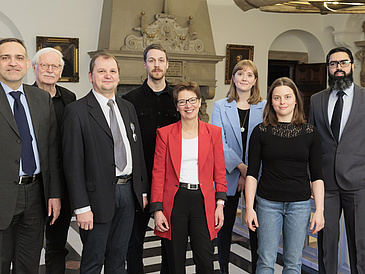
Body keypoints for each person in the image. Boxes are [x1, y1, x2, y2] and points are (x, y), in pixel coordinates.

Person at [62, 52, 148, 274]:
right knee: (93, 260)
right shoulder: (76, 112)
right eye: (101, 71)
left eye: (112, 71)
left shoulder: (127, 108)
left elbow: (136, 151)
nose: (107, 76)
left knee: (119, 258)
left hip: (128, 194)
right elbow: (72, 164)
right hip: (95, 198)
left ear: (119, 77)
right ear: (91, 76)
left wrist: (142, 189)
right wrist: (81, 207)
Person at [245, 77, 325, 273]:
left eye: (287, 97)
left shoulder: (311, 133)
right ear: (271, 101)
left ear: (296, 100)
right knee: (265, 260)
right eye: (277, 97)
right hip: (267, 203)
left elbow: (317, 176)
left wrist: (320, 210)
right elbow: (252, 173)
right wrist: (249, 208)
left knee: (293, 262)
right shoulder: (260, 131)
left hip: (299, 204)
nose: (282, 102)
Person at [150, 81, 227, 274]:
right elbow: (158, 173)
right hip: (175, 201)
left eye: (192, 100)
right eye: (183, 101)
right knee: (174, 262)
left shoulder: (213, 133)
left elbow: (220, 171)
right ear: (177, 106)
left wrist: (220, 204)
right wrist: (157, 209)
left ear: (200, 102)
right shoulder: (164, 134)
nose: (188, 105)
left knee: (205, 260)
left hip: (203, 200)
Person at [0, 38, 62, 273]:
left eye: (18, 58)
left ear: (27, 64)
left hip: (36, 196)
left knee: (28, 265)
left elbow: (51, 150)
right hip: (3, 195)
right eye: (5, 57)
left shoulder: (41, 99)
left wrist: (54, 194)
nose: (12, 63)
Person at [123, 43, 179, 274]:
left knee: (171, 240)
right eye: (152, 60)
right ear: (145, 64)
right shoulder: (129, 100)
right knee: (134, 239)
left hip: (172, 180)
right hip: (140, 180)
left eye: (161, 60)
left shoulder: (178, 97)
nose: (157, 65)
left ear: (167, 64)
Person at [309, 47, 365, 274]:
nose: (338, 68)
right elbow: (311, 143)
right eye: (333, 64)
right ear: (328, 68)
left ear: (352, 65)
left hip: (358, 183)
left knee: (360, 244)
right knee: (326, 244)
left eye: (343, 63)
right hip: (325, 185)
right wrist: (311, 180)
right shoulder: (316, 100)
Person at [212, 59, 266, 274]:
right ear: (233, 78)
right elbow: (219, 142)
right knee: (224, 227)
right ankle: (224, 268)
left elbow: (265, 141)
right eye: (240, 74)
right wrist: (241, 168)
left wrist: (250, 171)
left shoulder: (264, 106)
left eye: (249, 75)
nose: (245, 78)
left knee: (257, 228)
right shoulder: (220, 105)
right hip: (228, 173)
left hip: (258, 175)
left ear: (255, 80)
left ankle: (257, 269)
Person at [32, 47, 76, 274]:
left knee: (57, 243)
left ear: (61, 71)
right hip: (32, 182)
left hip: (62, 181)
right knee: (27, 244)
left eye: (55, 66)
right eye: (45, 65)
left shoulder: (69, 98)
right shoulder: (24, 96)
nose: (50, 70)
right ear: (34, 68)